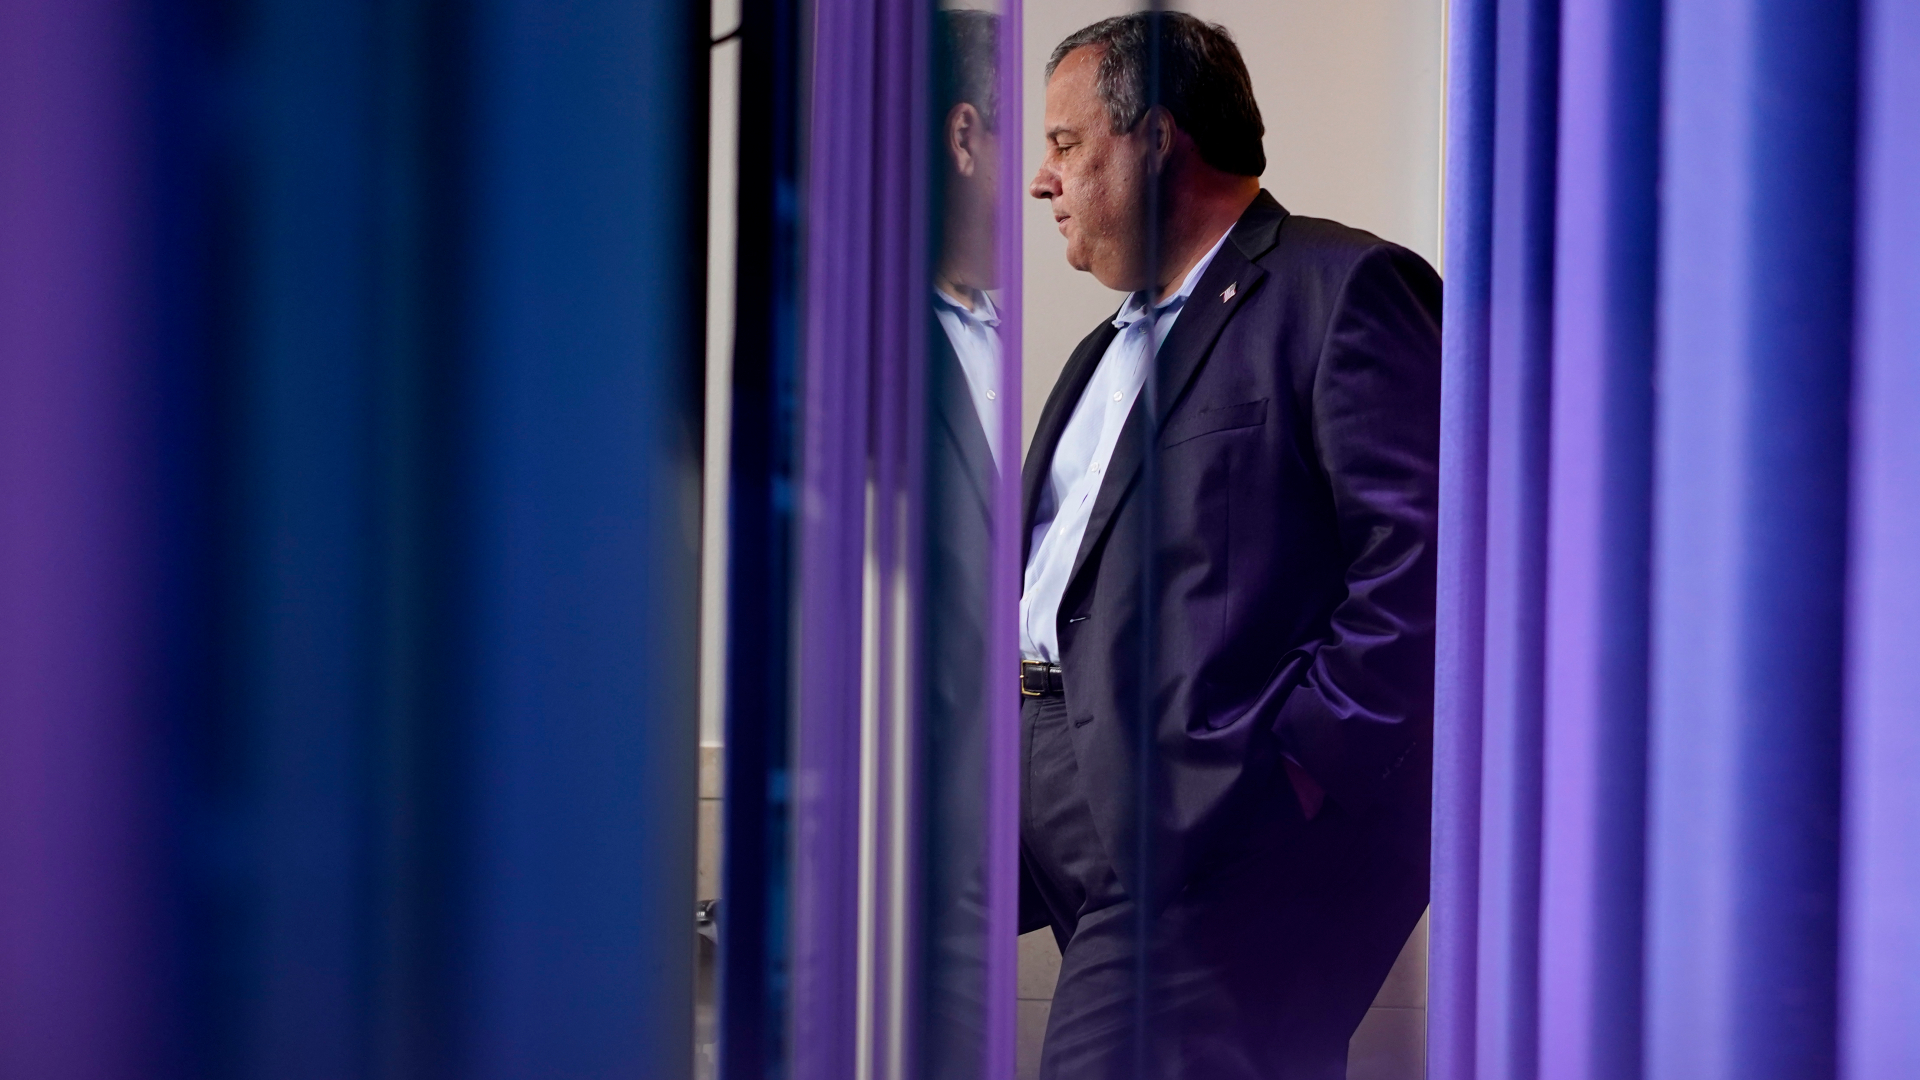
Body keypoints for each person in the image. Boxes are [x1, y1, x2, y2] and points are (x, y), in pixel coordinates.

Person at [1017, 14, 1441, 1079]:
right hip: (1059, 792)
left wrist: (1288, 774)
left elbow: (1424, 563)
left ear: (1157, 136)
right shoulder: (1099, 350)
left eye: (1066, 144)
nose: (1040, 179)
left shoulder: (1341, 289)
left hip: (1213, 830)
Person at [922, 10, 1001, 1080]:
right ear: (963, 136)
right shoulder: (857, 346)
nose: (1044, 178)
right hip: (909, 886)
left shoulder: (1000, 336)